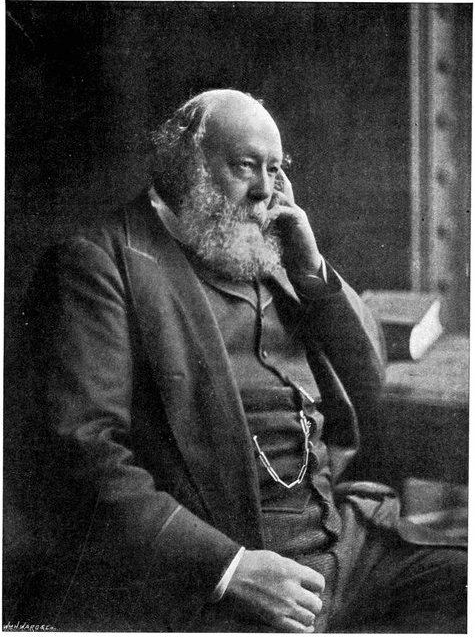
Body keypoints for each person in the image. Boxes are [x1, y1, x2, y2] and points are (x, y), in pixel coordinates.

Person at [21, 89, 466, 632]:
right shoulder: (99, 262)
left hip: (347, 546)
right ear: (186, 169)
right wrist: (229, 569)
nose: (264, 190)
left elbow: (368, 380)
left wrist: (311, 268)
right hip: (241, 565)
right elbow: (84, 455)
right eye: (245, 166)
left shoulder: (269, 254)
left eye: (275, 169)